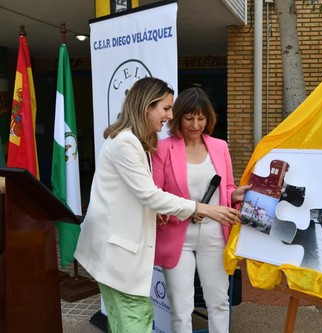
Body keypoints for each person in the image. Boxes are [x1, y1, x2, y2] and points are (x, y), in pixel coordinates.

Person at [74, 78, 241, 333]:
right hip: (128, 248)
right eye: (166, 108)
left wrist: (158, 211)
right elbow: (151, 193)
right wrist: (202, 208)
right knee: (137, 316)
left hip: (203, 238)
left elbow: (146, 197)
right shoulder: (129, 143)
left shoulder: (136, 141)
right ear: (147, 107)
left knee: (129, 318)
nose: (169, 115)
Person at [152, 86, 250, 333]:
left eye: (201, 117)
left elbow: (225, 187)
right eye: (189, 117)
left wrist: (235, 194)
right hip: (178, 236)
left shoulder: (219, 146)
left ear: (208, 118)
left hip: (214, 234)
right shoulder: (163, 148)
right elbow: (156, 193)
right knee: (181, 308)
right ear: (178, 116)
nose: (195, 124)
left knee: (219, 302)